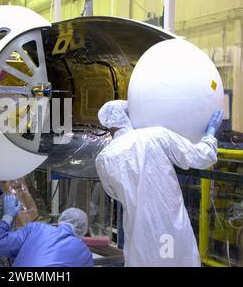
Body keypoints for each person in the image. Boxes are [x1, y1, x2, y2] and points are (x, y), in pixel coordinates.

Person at [94, 100, 223, 267]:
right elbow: (201, 157)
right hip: (170, 225)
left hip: (139, 229)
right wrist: (210, 135)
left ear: (108, 126)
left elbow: (113, 193)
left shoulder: (103, 159)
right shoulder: (155, 135)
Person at [0, 195, 93, 267]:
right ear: (83, 231)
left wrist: (8, 216)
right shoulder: (84, 252)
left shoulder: (35, 229)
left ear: (60, 220)